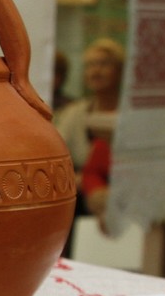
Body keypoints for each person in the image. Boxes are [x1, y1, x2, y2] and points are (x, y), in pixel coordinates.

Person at [52, 38, 123, 229]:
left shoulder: (132, 115)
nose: (96, 71)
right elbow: (56, 155)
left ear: (120, 71)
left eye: (104, 64)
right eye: (90, 65)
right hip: (80, 202)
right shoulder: (73, 113)